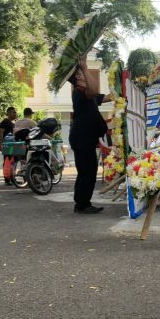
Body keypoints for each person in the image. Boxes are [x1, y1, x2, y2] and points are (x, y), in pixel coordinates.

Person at [67, 56, 114, 214]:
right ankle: (82, 204)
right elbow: (93, 91)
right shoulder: (80, 92)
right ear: (79, 77)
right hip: (82, 139)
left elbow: (106, 97)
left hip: (85, 139)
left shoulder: (87, 94)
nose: (86, 76)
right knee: (87, 171)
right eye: (82, 74)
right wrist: (85, 68)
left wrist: (120, 88)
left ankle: (81, 203)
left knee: (86, 171)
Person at [0, 107, 17, 185]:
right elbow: (0, 132)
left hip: (12, 145)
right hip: (7, 145)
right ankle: (7, 179)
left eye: (15, 112)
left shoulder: (13, 122)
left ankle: (12, 178)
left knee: (13, 161)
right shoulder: (5, 121)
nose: (15, 114)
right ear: (8, 113)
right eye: (13, 112)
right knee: (7, 161)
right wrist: (1, 144)